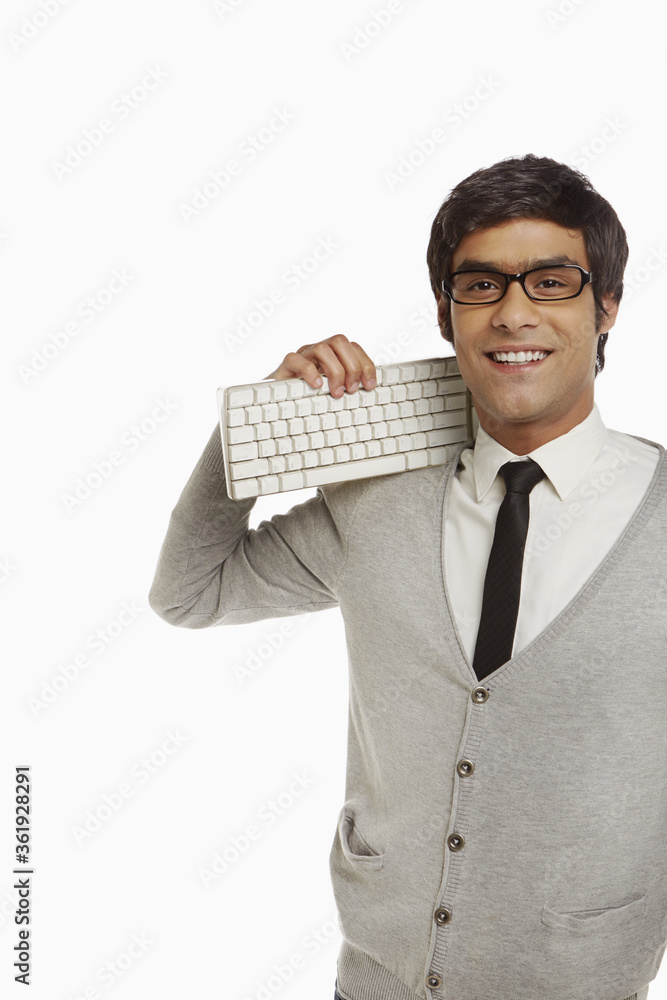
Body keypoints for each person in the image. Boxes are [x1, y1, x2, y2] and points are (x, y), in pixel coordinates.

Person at [149, 155, 666, 1000]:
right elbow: (188, 592)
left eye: (550, 281)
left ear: (605, 305)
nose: (511, 313)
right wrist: (254, 433)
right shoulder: (375, 502)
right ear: (444, 313)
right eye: (480, 285)